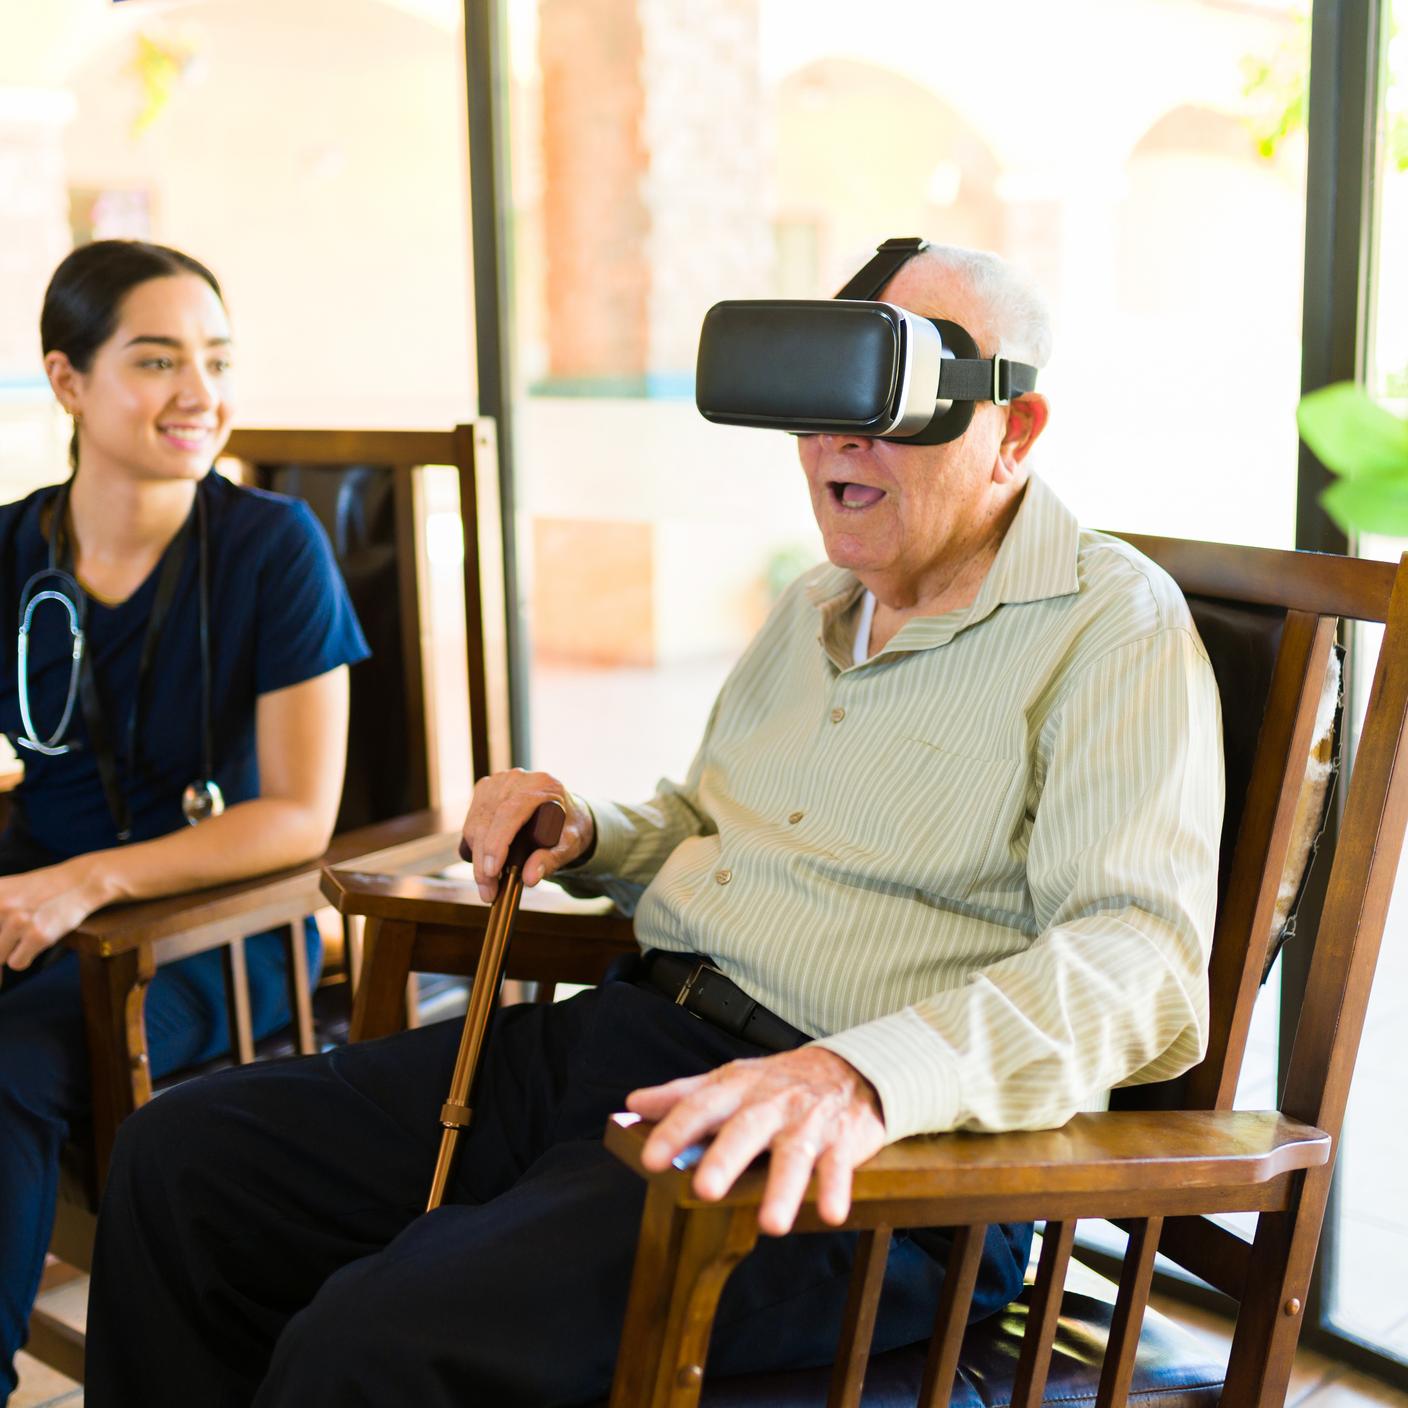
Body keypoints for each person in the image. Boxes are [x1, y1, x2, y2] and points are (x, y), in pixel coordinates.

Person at [85, 244, 1223, 1408]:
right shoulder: (817, 604)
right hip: (634, 1043)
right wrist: (587, 829)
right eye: (822, 403)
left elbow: (1138, 961)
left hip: (854, 1157)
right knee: (182, 1161)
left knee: (374, 1339)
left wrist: (859, 1077)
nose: (838, 442)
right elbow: (705, 821)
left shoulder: (1111, 624)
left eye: (887, 402)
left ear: (1014, 427)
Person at [0, 239, 369, 1404]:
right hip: (41, 907)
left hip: (218, 928)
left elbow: (298, 816)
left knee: (8, 1064)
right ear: (68, 380)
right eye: (158, 360)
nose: (200, 392)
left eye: (216, 358)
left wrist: (87, 880)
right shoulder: (10, 550)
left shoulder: (271, 548)